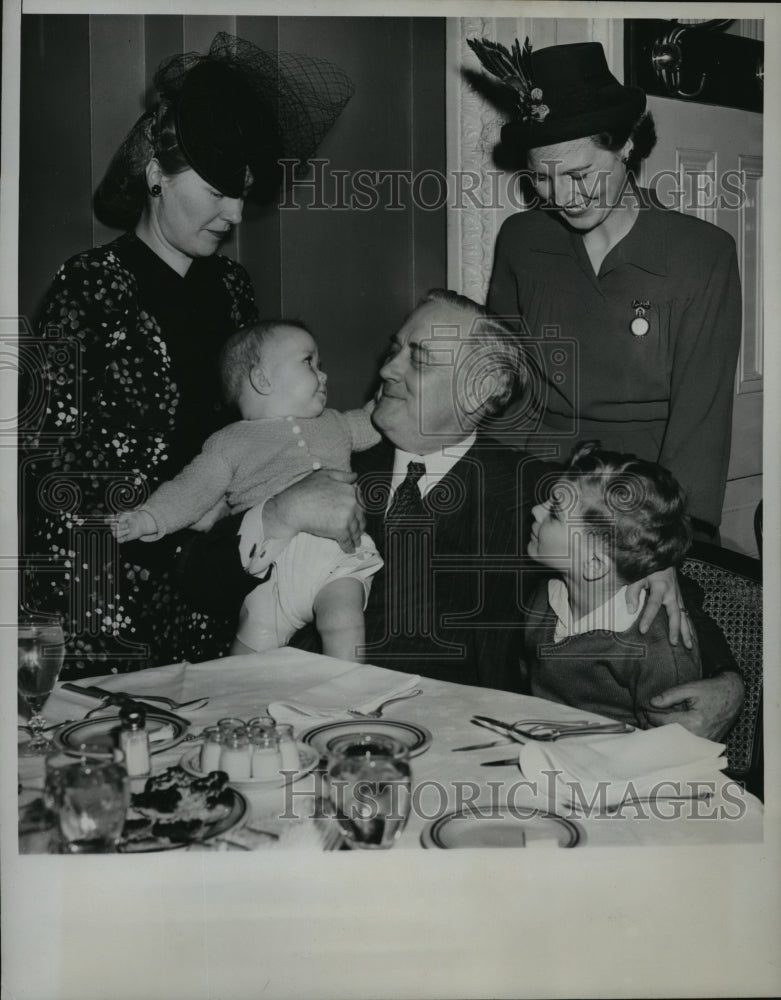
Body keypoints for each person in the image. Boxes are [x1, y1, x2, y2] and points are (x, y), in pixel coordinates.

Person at [179, 290, 743, 735]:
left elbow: (655, 586)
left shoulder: (539, 494)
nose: (388, 369)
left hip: (462, 748)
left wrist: (729, 682)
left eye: (418, 360)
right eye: (395, 349)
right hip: (300, 725)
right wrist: (278, 514)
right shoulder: (314, 455)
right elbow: (195, 583)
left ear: (484, 390)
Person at [19, 33, 354, 678]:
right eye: (220, 188)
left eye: (244, 192)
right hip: (111, 603)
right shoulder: (89, 287)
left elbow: (261, 433)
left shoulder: (234, 289)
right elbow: (57, 480)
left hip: (228, 584)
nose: (234, 211)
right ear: (155, 173)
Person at [467, 38, 741, 540]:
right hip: (535, 480)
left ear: (626, 144)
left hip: (642, 497)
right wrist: (484, 484)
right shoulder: (521, 239)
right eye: (542, 180)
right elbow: (505, 384)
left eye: (579, 174)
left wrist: (675, 538)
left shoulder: (703, 254)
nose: (564, 198)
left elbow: (702, 420)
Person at [111, 321, 382, 661]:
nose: (323, 375)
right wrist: (149, 517)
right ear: (262, 379)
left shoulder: (336, 422)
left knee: (343, 621)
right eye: (309, 362)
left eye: (320, 365)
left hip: (335, 557)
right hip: (270, 567)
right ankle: (236, 709)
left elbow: (375, 421)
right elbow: (192, 489)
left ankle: (346, 702)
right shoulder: (230, 443)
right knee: (250, 652)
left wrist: (386, 395)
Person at [524, 442, 706, 726]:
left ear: (594, 564)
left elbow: (673, 749)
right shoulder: (544, 596)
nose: (536, 510)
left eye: (555, 514)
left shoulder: (656, 648)